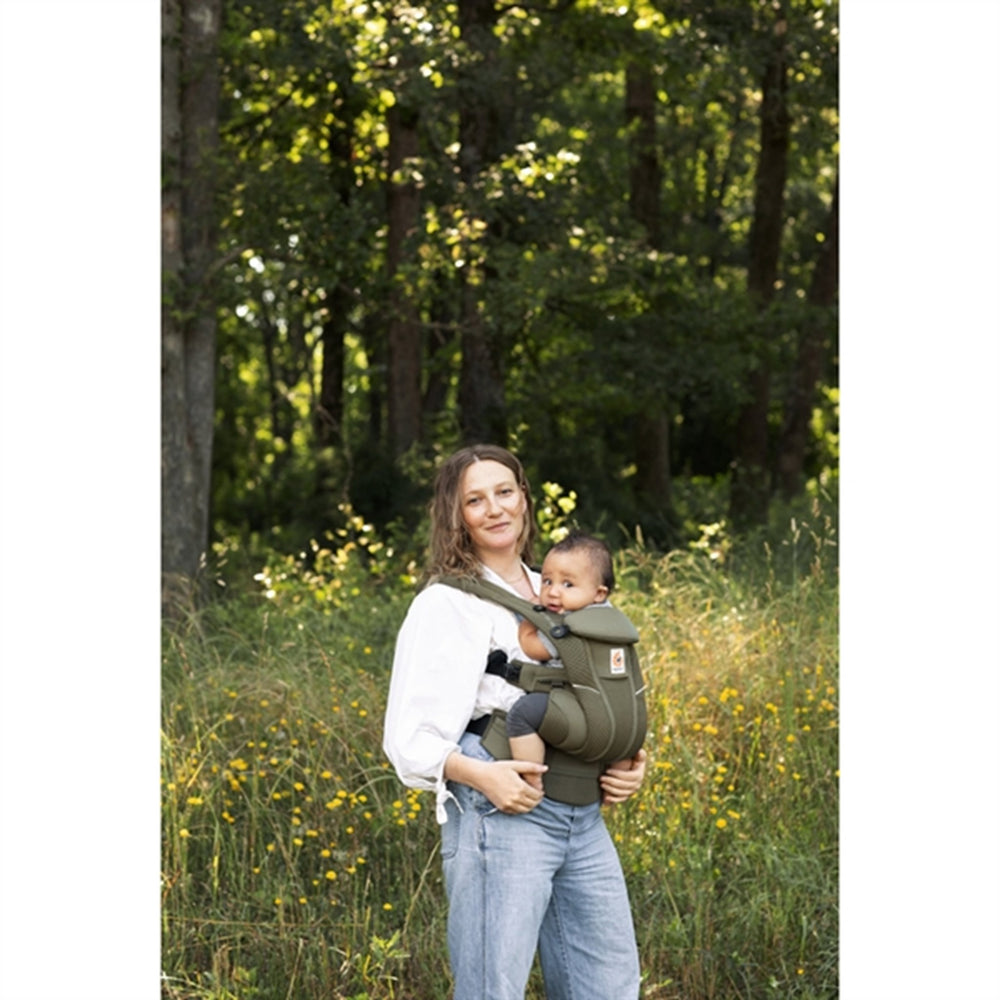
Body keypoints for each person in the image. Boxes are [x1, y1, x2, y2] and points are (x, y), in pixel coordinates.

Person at [383, 444, 647, 1000]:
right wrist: (483, 777)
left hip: (582, 812)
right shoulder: (446, 604)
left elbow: (601, 688)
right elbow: (409, 738)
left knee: (608, 984)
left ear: (524, 497)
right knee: (493, 988)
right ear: (457, 515)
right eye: (475, 500)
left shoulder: (563, 584)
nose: (495, 508)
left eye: (504, 492)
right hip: (502, 808)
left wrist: (626, 760)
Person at [507, 530, 637, 794]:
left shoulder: (569, 625)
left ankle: (531, 777)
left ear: (599, 593)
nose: (553, 592)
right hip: (622, 717)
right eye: (547, 581)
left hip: (580, 707)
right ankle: (612, 786)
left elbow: (533, 648)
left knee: (522, 714)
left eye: (568, 585)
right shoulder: (611, 618)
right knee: (622, 744)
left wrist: (529, 620)